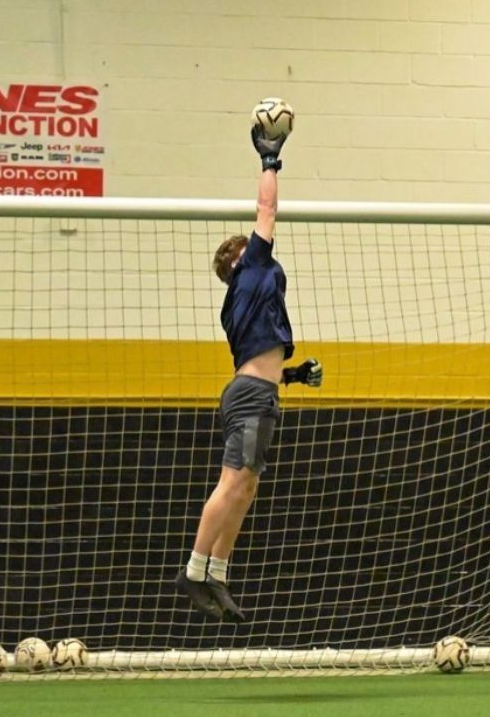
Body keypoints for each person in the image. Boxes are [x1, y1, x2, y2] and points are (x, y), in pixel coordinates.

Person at [173, 120, 323, 623]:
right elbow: (267, 208)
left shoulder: (241, 301)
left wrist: (294, 375)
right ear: (240, 262)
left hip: (257, 390)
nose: (261, 245)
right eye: (250, 246)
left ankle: (216, 572)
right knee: (234, 482)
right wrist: (269, 159)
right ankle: (193, 571)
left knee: (246, 485)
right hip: (251, 396)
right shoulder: (253, 269)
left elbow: (259, 359)